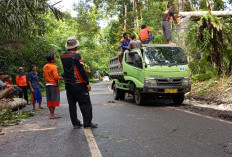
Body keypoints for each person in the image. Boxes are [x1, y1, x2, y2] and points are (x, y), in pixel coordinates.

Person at [61, 37, 98, 129]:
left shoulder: (62, 56)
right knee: (85, 104)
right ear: (75, 47)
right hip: (78, 83)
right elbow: (81, 70)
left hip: (68, 84)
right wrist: (87, 83)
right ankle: (87, 123)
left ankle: (76, 123)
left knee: (72, 104)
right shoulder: (76, 55)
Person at [43, 54, 63, 119]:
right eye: (55, 58)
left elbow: (44, 75)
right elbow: (55, 77)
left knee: (49, 100)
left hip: (47, 85)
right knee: (53, 100)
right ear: (52, 60)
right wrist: (61, 78)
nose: (55, 58)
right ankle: (52, 115)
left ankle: (52, 114)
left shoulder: (45, 66)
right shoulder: (53, 66)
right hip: (53, 85)